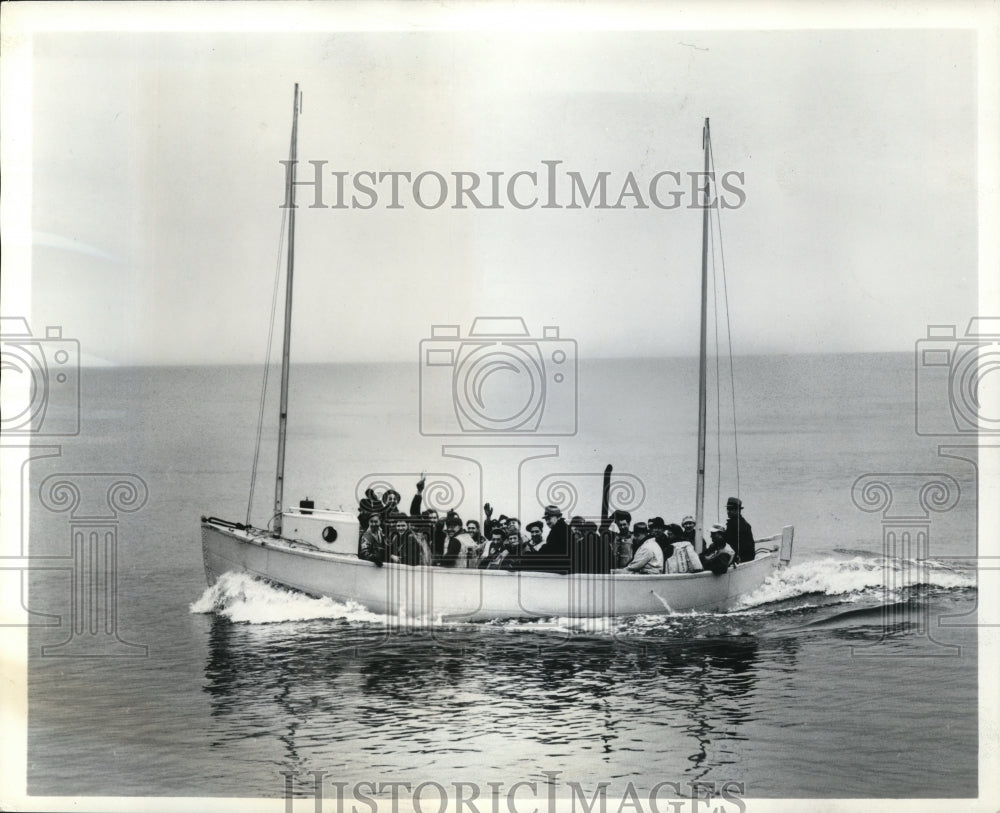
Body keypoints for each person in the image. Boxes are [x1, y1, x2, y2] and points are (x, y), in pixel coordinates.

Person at [520, 505, 570, 574]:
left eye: (549, 518)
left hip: (560, 568)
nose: (547, 522)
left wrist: (527, 555)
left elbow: (548, 554)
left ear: (559, 517)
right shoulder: (562, 528)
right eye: (546, 519)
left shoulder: (558, 530)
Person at [724, 497, 755, 563]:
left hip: (742, 558)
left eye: (731, 509)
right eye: (728, 509)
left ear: (738, 510)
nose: (728, 512)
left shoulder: (737, 524)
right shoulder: (736, 522)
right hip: (746, 556)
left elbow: (730, 541)